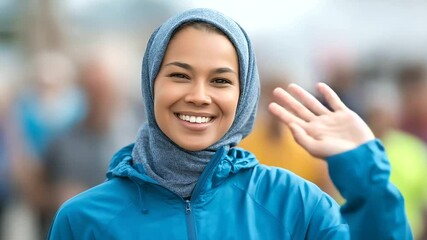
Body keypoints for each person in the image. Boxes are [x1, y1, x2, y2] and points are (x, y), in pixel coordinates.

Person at [48, 8, 411, 239]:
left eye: (221, 80)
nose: (199, 96)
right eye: (179, 75)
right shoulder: (83, 220)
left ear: (244, 95)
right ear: (150, 83)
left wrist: (367, 177)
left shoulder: (294, 204)